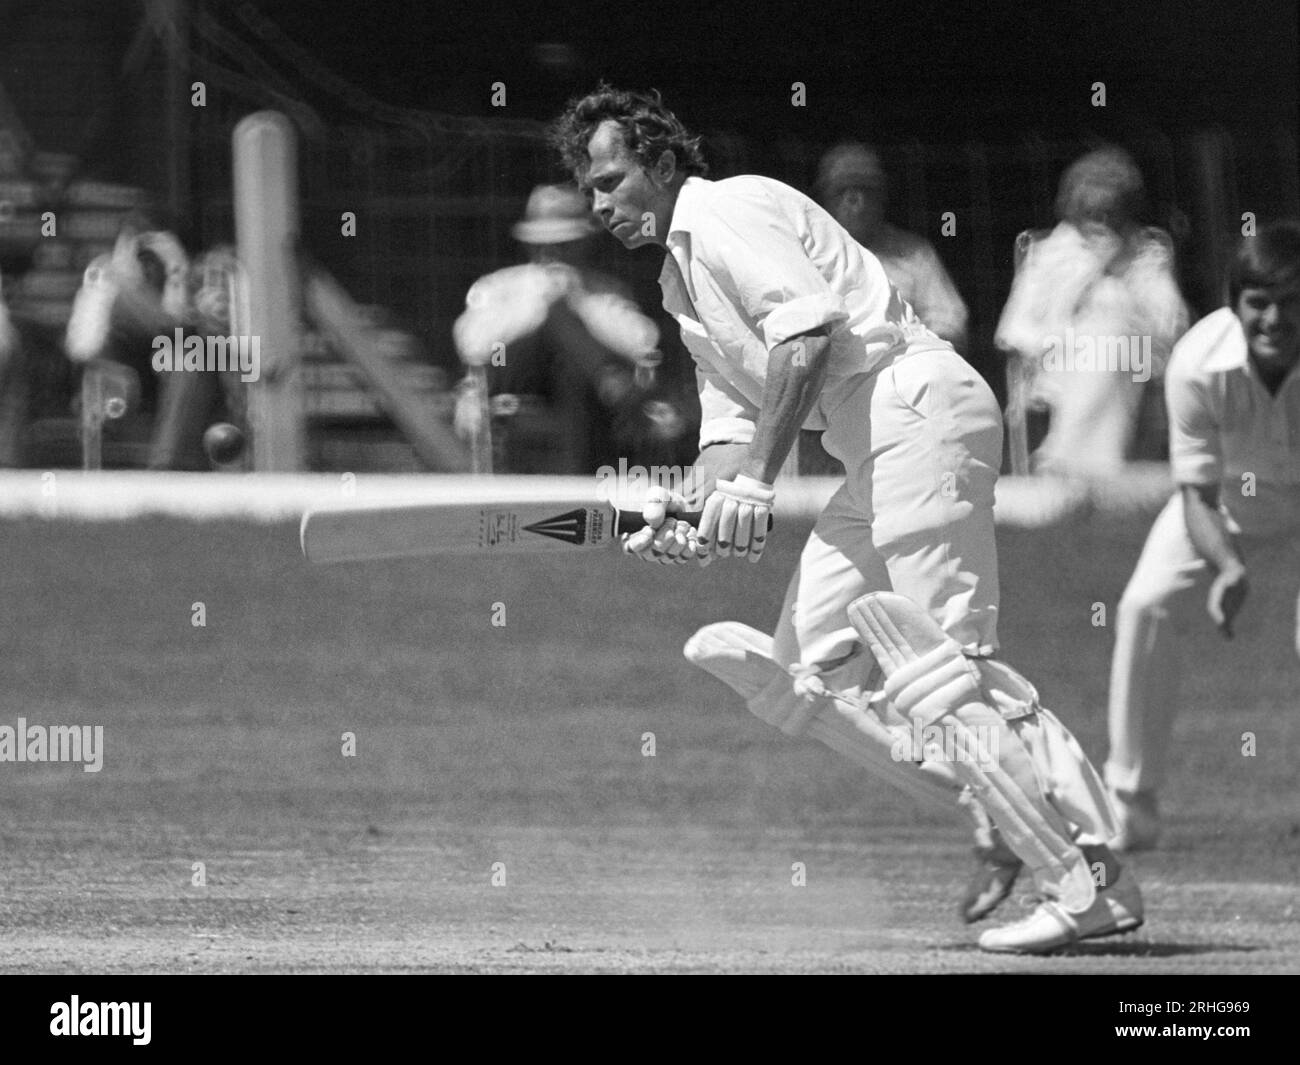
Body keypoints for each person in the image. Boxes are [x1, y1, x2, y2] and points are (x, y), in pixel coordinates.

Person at [551, 85, 1142, 954]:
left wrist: (752, 486)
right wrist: (688, 505)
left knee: (943, 666)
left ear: (664, 164)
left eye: (611, 181)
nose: (601, 207)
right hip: (879, 449)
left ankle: (1083, 880)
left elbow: (807, 336)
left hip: (916, 410)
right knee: (801, 674)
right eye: (590, 191)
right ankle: (1000, 808)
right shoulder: (682, 284)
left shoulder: (726, 210)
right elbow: (732, 435)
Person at [1103, 221, 1300, 850]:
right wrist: (1230, 568)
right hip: (1227, 508)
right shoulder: (1196, 362)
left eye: (1292, 303)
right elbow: (1196, 493)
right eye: (1259, 303)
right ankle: (1131, 805)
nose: (1274, 320)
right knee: (1145, 605)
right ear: (1233, 302)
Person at [995, 147, 1189, 475]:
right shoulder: (1050, 256)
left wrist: (1120, 270)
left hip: (1139, 361)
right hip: (1057, 362)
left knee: (1113, 337)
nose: (1101, 222)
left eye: (1110, 212)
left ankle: (1067, 460)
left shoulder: (1146, 255)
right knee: (1102, 345)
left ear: (1126, 212)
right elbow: (1015, 330)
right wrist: (1084, 283)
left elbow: (1172, 325)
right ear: (1073, 209)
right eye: (1091, 212)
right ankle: (1092, 464)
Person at [452, 183, 668, 474]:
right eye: (543, 242)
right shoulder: (499, 286)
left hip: (585, 396)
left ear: (584, 241)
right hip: (512, 380)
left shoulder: (605, 290)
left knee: (570, 334)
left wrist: (577, 304)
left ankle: (605, 380)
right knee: (541, 327)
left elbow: (643, 346)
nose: (551, 251)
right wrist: (541, 303)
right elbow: (474, 346)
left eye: (563, 242)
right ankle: (607, 379)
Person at [816, 142, 968, 351]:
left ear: (882, 197)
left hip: (903, 368)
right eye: (843, 190)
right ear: (825, 198)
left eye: (865, 189)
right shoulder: (809, 252)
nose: (855, 200)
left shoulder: (915, 253)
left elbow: (949, 323)